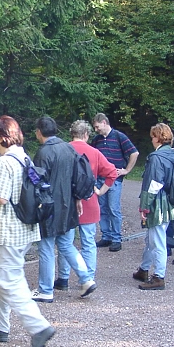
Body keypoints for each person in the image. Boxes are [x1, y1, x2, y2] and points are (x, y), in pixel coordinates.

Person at [0, 115, 56, 347]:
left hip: (9, 230)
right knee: (0, 275)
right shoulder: (23, 156)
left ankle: (38, 327)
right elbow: (18, 187)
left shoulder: (5, 161)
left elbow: (1, 198)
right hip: (25, 228)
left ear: (2, 138)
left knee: (8, 279)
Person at [31, 116, 96, 302]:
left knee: (46, 247)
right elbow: (78, 177)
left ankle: (45, 289)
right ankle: (86, 279)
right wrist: (77, 199)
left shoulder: (43, 153)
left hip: (49, 208)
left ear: (38, 132)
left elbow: (39, 182)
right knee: (67, 245)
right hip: (68, 206)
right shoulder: (68, 148)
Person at [55, 120, 117, 291]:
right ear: (87, 135)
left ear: (71, 133)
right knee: (88, 242)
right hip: (89, 201)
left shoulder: (62, 150)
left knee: (65, 242)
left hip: (67, 203)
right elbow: (112, 173)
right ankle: (87, 278)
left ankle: (63, 277)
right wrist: (101, 191)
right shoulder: (95, 152)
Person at [134, 123, 174, 290]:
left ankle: (159, 277)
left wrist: (144, 207)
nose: (151, 139)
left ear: (158, 137)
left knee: (157, 240)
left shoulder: (156, 158)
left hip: (158, 202)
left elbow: (153, 184)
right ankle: (144, 269)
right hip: (169, 201)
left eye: (153, 136)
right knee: (151, 238)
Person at [90, 113, 139, 252]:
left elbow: (134, 153)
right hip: (99, 178)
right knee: (102, 208)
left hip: (114, 179)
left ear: (104, 122)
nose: (96, 129)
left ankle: (117, 238)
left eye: (97, 126)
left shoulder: (119, 136)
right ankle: (106, 236)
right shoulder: (96, 140)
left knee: (113, 208)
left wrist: (126, 170)